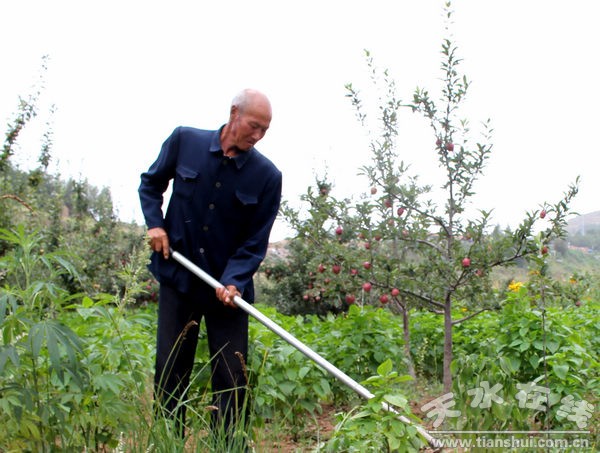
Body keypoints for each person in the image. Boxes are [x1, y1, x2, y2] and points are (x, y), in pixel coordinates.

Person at [138, 88, 282, 444]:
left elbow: (255, 241)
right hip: (179, 279)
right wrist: (155, 224)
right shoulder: (185, 141)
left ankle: (227, 446)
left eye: (265, 130)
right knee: (171, 369)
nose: (258, 135)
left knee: (232, 376)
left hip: (227, 293)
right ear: (234, 113)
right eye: (253, 126)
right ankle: (168, 444)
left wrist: (233, 281)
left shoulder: (267, 176)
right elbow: (151, 184)